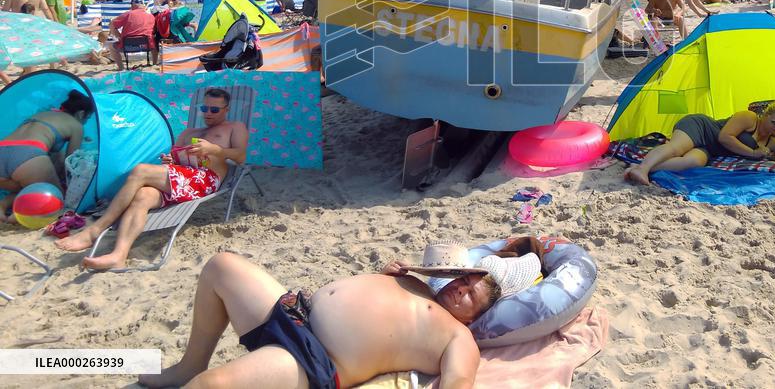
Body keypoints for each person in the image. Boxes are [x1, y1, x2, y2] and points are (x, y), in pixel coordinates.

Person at [136, 242, 540, 389]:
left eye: (470, 294)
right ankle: (189, 363)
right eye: (463, 279)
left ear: (475, 316)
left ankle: (196, 376)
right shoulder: (419, 285)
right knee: (221, 265)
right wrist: (389, 277)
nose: (460, 288)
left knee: (214, 386)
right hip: (294, 312)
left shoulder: (459, 338)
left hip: (313, 359)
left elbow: (458, 383)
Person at [57, 87, 247, 270]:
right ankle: (118, 255)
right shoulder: (189, 133)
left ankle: (95, 230)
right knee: (143, 195)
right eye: (204, 108)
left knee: (140, 171)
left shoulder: (234, 127)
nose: (208, 113)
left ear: (226, 109)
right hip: (181, 177)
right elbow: (174, 158)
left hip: (205, 179)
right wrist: (170, 159)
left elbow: (240, 156)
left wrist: (214, 149)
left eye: (214, 110)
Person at [624, 100, 775, 184]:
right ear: (765, 116)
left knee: (692, 162)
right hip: (702, 128)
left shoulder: (770, 142)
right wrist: (753, 153)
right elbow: (724, 137)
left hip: (709, 149)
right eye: (774, 122)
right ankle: (643, 169)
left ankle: (639, 167)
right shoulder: (749, 118)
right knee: (676, 149)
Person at [0, 90, 94, 223]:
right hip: (28, 154)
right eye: (87, 118)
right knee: (55, 196)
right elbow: (71, 161)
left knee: (28, 187)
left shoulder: (41, 114)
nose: (85, 122)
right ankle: (17, 217)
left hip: (3, 149)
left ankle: (2, 205)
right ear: (81, 114)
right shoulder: (76, 125)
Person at [107, 0, 157, 71]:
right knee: (154, 41)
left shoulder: (128, 14)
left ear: (132, 6)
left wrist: (119, 36)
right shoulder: (151, 16)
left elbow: (111, 24)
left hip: (127, 45)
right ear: (143, 5)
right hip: (146, 45)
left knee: (111, 45)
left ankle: (121, 68)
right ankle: (154, 64)